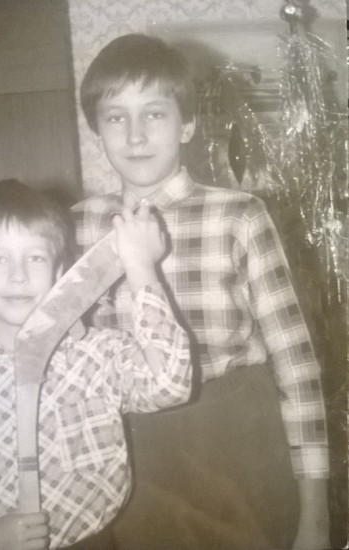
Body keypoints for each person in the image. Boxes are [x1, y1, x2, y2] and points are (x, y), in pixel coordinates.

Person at [72, 33, 331, 550]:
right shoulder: (77, 227)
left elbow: (296, 367)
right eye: (116, 117)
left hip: (234, 446)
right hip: (125, 459)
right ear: (97, 130)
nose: (136, 135)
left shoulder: (239, 215)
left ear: (187, 124)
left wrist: (316, 517)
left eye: (155, 114)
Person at [0, 180, 192, 550]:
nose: (18, 275)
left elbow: (171, 385)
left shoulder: (98, 355)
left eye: (35, 258)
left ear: (58, 274)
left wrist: (140, 268)